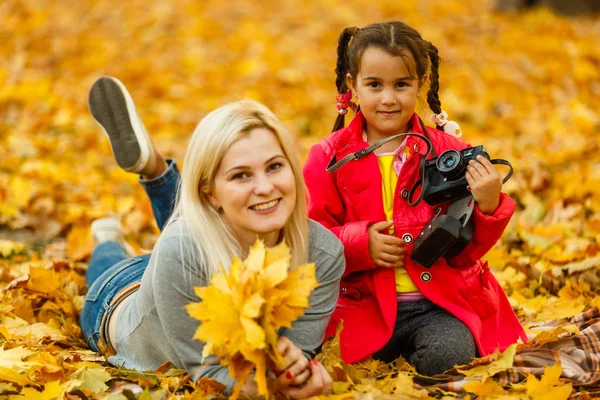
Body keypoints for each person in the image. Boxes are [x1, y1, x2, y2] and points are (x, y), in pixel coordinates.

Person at [80, 77, 343, 398]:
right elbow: (208, 373)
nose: (265, 186)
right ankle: (108, 239)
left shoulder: (325, 253)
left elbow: (302, 350)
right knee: (116, 260)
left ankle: (157, 171)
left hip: (189, 259)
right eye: (241, 174)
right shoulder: (181, 249)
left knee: (209, 224)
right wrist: (273, 391)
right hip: (118, 300)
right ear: (211, 194)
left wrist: (299, 372)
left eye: (275, 166)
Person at [302, 21, 528, 376]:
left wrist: (487, 205)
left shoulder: (449, 154)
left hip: (437, 305)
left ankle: (415, 363)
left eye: (401, 85)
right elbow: (310, 237)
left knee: (450, 356)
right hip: (358, 305)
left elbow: (465, 254)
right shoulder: (327, 158)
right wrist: (360, 244)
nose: (388, 98)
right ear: (353, 86)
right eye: (374, 85)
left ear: (421, 84)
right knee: (314, 360)